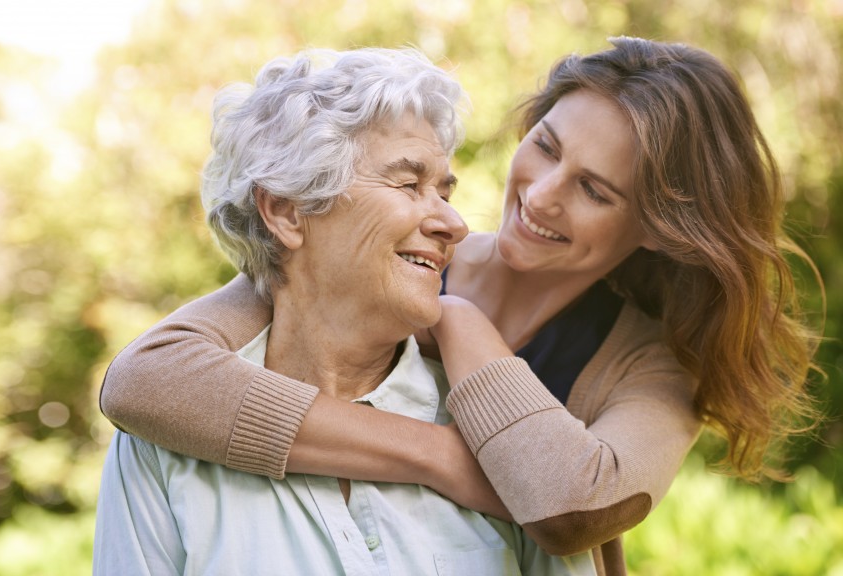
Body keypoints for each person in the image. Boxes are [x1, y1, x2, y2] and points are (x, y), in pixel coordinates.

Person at [98, 37, 822, 575]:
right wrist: (444, 458)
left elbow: (573, 505)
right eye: (545, 146)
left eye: (596, 191)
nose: (540, 195)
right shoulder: (384, 261)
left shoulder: (646, 363)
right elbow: (145, 381)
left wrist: (459, 320)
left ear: (659, 226)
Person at [93, 47, 597, 575]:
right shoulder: (160, 449)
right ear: (287, 211)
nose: (455, 222)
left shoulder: (503, 441)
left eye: (446, 191)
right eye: (409, 184)